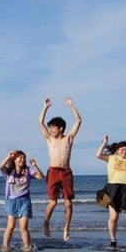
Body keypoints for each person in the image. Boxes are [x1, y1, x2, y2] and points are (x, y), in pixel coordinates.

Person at [38, 97, 82, 241]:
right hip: (53, 171)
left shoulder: (68, 138)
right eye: (49, 128)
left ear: (60, 128)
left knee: (68, 204)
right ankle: (46, 223)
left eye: (53, 128)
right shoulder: (49, 139)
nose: (50, 130)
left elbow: (78, 121)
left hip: (66, 172)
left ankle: (66, 229)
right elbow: (40, 122)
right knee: (53, 202)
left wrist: (71, 106)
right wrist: (45, 107)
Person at [0, 150, 45, 252]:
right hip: (11, 201)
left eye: (24, 158)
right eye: (20, 157)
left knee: (23, 227)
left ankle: (27, 247)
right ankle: (5, 247)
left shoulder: (28, 170)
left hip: (24, 201)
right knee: (10, 226)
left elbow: (41, 177)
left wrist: (35, 166)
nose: (22, 159)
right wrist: (8, 156)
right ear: (14, 160)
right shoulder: (9, 171)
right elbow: (0, 166)